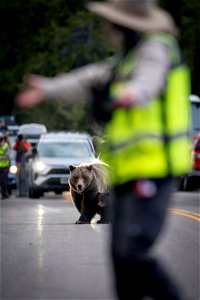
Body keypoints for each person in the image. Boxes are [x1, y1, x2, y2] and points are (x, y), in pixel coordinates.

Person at [15, 0, 191, 299]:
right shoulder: (127, 59)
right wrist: (48, 88)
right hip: (127, 172)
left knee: (133, 251)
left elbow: (146, 84)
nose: (108, 29)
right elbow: (88, 78)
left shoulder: (157, 50)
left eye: (113, 23)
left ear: (128, 26)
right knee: (121, 259)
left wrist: (124, 96)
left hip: (155, 170)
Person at [0, 133, 10, 199]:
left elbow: (7, 156)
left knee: (4, 181)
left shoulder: (5, 145)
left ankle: (5, 194)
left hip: (4, 166)